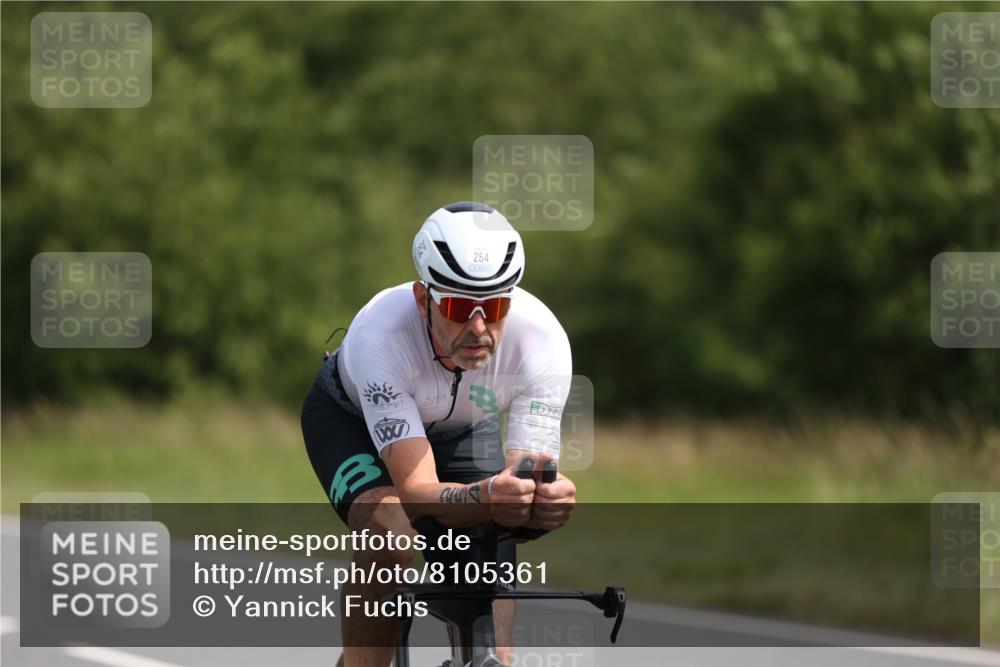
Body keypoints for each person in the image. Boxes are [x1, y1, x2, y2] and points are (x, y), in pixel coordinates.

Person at [301, 201, 576, 667]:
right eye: (457, 306)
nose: (478, 327)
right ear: (423, 298)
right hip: (352, 422)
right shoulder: (380, 335)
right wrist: (489, 493)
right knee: (388, 536)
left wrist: (541, 503)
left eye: (494, 307)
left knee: (492, 548)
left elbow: (525, 477)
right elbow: (416, 492)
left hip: (463, 429)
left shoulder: (543, 342)